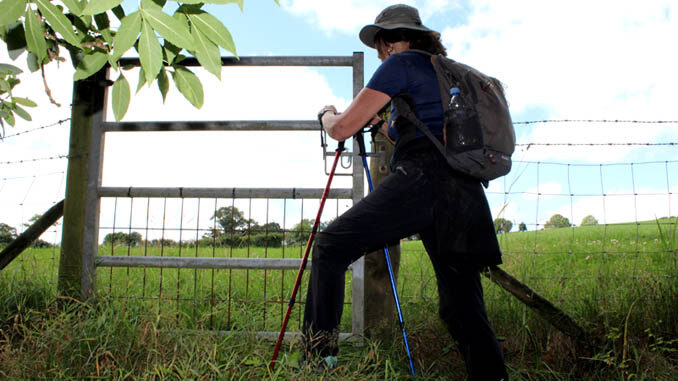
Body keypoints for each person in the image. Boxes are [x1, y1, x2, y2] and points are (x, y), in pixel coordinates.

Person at [303, 4, 508, 380]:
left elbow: (342, 128)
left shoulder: (402, 64)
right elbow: (410, 134)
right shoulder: (441, 73)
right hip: (464, 192)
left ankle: (318, 361)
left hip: (423, 180)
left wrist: (327, 115)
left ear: (396, 40)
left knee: (331, 246)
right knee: (462, 306)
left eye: (383, 43)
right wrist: (382, 123)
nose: (382, 52)